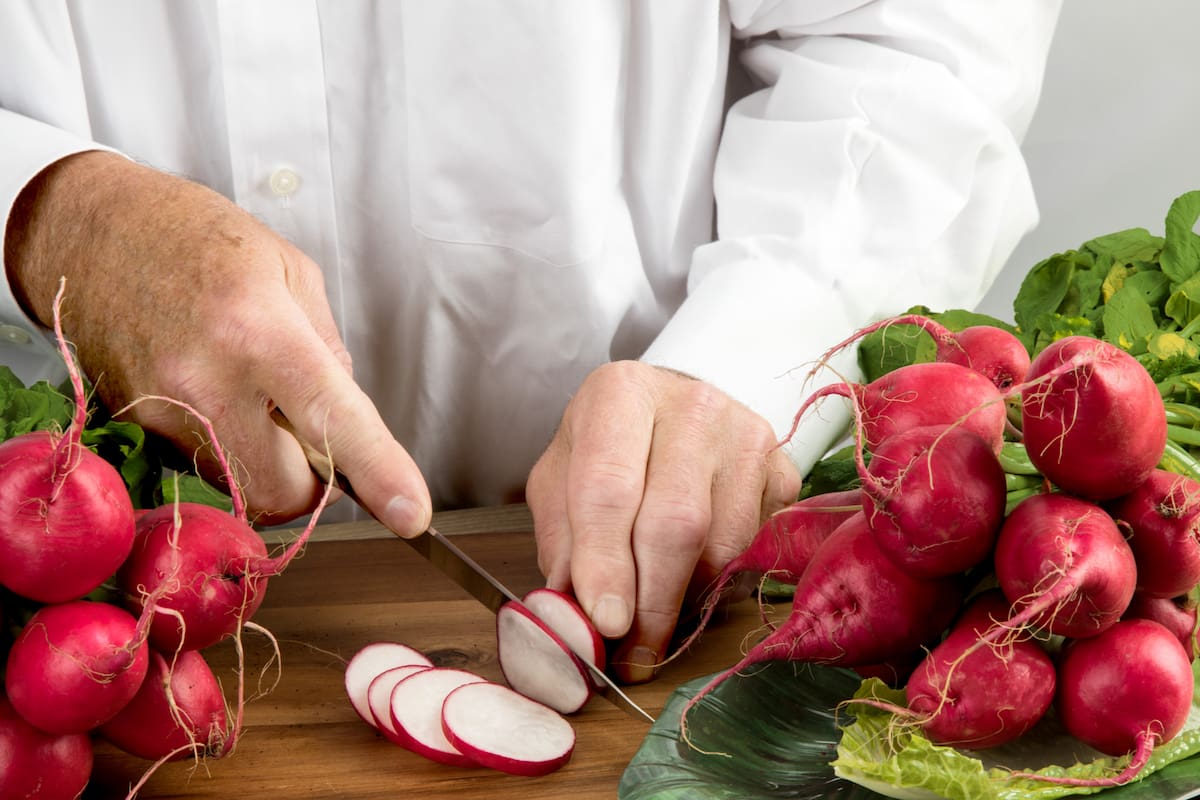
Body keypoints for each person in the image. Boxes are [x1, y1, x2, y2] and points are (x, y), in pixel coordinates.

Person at [0, 2, 1061, 683]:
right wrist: (49, 210)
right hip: (67, 559)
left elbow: (920, 37)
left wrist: (758, 338)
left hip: (690, 524)